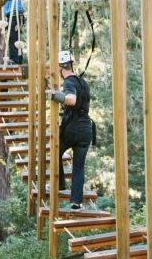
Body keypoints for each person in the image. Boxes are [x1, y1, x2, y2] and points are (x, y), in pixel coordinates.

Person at [47, 50, 93, 210]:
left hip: (72, 128)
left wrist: (54, 95)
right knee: (78, 166)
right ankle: (76, 202)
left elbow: (71, 100)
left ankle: (59, 185)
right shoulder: (83, 82)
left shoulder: (69, 82)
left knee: (55, 151)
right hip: (86, 129)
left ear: (61, 68)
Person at [3, 0, 26, 65]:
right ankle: (17, 59)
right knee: (12, 37)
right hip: (11, 17)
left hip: (15, 16)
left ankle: (15, 59)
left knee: (13, 38)